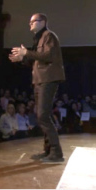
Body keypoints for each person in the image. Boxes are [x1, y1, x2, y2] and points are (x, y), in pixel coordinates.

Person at [9, 13, 66, 163]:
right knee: (41, 115)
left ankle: (56, 152)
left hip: (48, 78)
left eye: (33, 21)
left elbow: (49, 56)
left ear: (43, 22)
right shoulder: (39, 38)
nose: (30, 24)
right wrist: (23, 58)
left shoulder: (49, 36)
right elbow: (36, 60)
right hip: (39, 80)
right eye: (29, 22)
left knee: (42, 115)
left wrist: (26, 52)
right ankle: (48, 151)